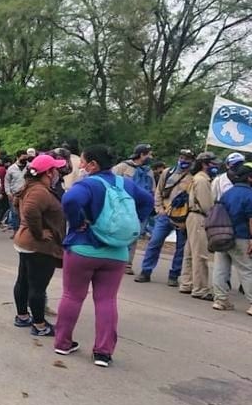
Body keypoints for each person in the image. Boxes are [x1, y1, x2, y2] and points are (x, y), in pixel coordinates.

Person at [53, 145, 154, 368]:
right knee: (107, 300)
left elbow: (69, 201)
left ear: (93, 165)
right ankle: (103, 352)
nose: (80, 165)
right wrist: (136, 220)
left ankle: (62, 342)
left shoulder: (87, 184)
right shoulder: (125, 184)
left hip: (83, 248)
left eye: (83, 161)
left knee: (72, 296)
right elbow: (147, 201)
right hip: (117, 251)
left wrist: (78, 222)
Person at [211, 163, 252, 318]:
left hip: (222, 235)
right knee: (247, 271)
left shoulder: (228, 193)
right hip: (240, 236)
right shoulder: (250, 195)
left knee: (221, 269)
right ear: (249, 177)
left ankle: (220, 300)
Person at [12, 154, 67, 336]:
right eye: (55, 169)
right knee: (37, 286)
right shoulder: (39, 191)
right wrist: (38, 231)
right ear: (49, 173)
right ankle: (39, 325)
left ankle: (22, 316)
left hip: (26, 241)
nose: (58, 173)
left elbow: (17, 204)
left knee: (24, 280)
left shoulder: (30, 187)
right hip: (38, 245)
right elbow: (29, 210)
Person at [135, 149, 195, 287]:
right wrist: (159, 209)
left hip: (182, 218)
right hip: (164, 214)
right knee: (154, 242)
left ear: (192, 161)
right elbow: (158, 191)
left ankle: (174, 275)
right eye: (182, 157)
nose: (184, 161)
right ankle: (146, 271)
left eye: (187, 158)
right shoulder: (168, 172)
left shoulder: (193, 177)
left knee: (181, 247)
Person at [180, 152, 218, 300]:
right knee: (200, 254)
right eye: (213, 163)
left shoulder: (198, 178)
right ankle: (200, 288)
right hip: (199, 216)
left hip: (193, 216)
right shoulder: (202, 180)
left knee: (190, 252)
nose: (215, 166)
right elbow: (206, 205)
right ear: (205, 164)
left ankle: (187, 283)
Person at [112, 143, 155, 274]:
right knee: (117, 233)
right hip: (122, 207)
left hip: (139, 209)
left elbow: (152, 190)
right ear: (141, 154)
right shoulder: (122, 167)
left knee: (133, 235)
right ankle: (113, 260)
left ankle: (127, 264)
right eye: (149, 154)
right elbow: (110, 184)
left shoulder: (149, 171)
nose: (151, 157)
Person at [4, 150, 28, 234]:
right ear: (18, 157)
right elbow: (7, 181)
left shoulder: (30, 167)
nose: (25, 159)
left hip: (27, 193)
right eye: (23, 157)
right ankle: (16, 232)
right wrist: (8, 193)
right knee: (15, 213)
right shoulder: (11, 168)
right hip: (14, 194)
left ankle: (24, 232)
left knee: (26, 213)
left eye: (26, 157)